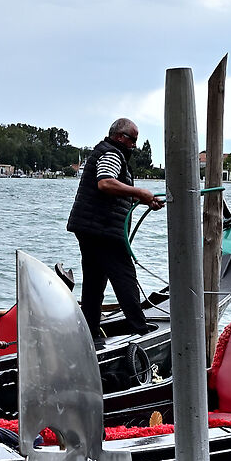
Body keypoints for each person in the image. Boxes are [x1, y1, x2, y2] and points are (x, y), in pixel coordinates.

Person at [65, 119, 162, 341]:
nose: (135, 146)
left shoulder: (107, 152)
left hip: (91, 228)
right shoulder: (112, 154)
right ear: (120, 137)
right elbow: (105, 183)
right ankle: (141, 331)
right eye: (132, 140)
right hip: (103, 230)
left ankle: (89, 334)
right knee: (124, 276)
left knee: (94, 282)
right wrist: (140, 193)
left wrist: (146, 199)